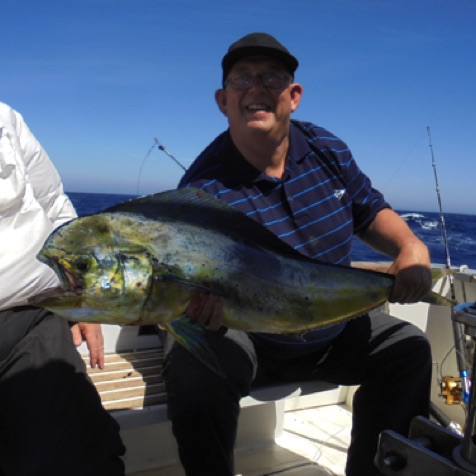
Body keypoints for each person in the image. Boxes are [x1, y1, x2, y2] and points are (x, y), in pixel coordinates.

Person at [162, 33, 433, 476]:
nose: (257, 87)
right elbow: (182, 284)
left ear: (294, 95)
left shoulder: (327, 149)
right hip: (249, 334)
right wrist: (197, 311)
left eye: (272, 77)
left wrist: (410, 246)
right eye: (242, 78)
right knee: (195, 368)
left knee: (408, 351)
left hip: (329, 330)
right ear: (223, 100)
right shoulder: (201, 191)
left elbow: (368, 210)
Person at [0, 102, 125, 476]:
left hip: (28, 320)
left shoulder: (5, 118)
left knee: (79, 459)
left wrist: (81, 299)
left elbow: (54, 204)